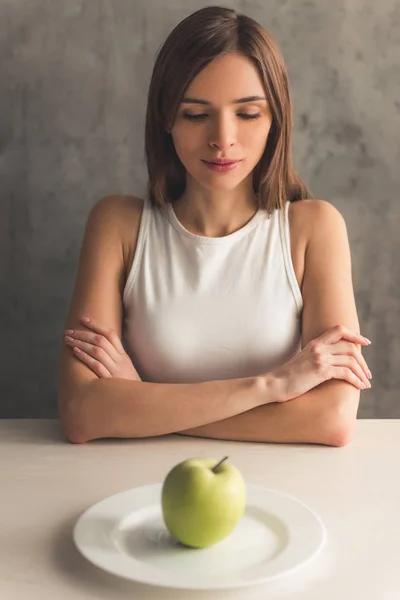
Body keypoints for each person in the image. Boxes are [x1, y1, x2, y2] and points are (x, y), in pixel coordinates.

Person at [57, 6, 372, 446]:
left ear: (275, 119)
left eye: (247, 114)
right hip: (142, 485)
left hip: (291, 487)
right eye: (194, 114)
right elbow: (82, 412)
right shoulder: (117, 225)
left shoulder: (314, 229)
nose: (222, 139)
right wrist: (273, 386)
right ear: (166, 118)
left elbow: (332, 420)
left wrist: (141, 402)